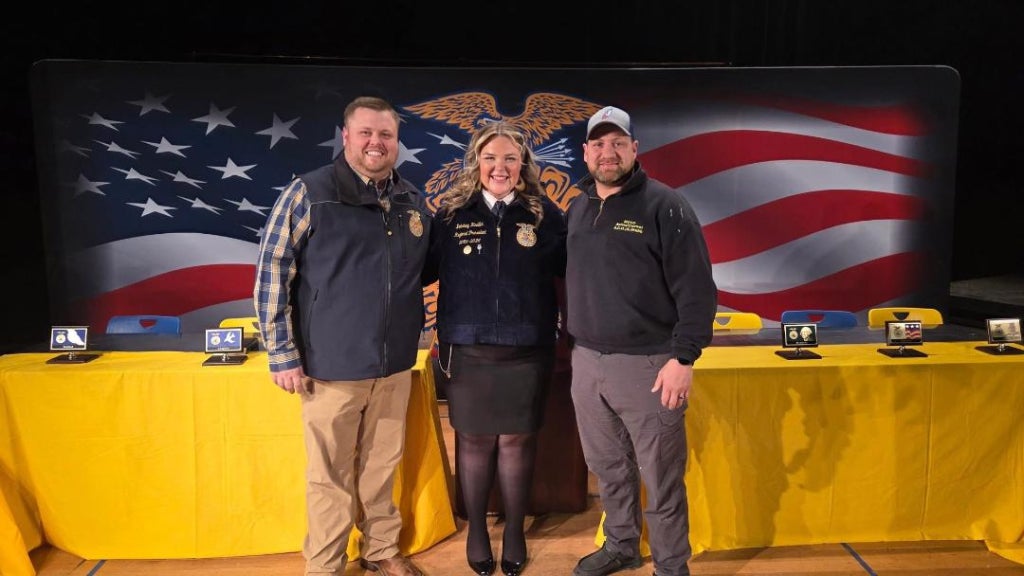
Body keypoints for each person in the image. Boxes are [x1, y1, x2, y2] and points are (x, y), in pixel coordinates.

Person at [254, 96, 431, 576]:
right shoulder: (309, 193)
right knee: (329, 476)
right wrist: (281, 352)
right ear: (346, 136)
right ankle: (326, 564)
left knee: (381, 468)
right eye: (367, 133)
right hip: (330, 366)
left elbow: (422, 274)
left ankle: (380, 550)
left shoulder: (412, 201)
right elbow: (273, 269)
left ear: (397, 142)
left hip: (394, 365)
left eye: (387, 135)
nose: (377, 143)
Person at [565, 106, 717, 576]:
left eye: (618, 143)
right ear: (586, 152)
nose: (608, 153)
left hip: (650, 367)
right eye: (599, 144)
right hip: (587, 364)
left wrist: (683, 358)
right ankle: (622, 544)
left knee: (661, 478)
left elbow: (697, 289)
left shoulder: (665, 205)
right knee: (609, 468)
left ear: (635, 149)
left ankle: (672, 567)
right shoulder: (578, 206)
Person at [424, 122, 566, 576]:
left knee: (518, 441)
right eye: (490, 158)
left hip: (527, 347)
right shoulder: (450, 215)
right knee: (474, 440)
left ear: (523, 164)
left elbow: (575, 272)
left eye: (510, 158)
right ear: (476, 163)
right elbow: (419, 271)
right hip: (467, 348)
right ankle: (478, 533)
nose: (500, 167)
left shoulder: (545, 215)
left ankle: (516, 532)